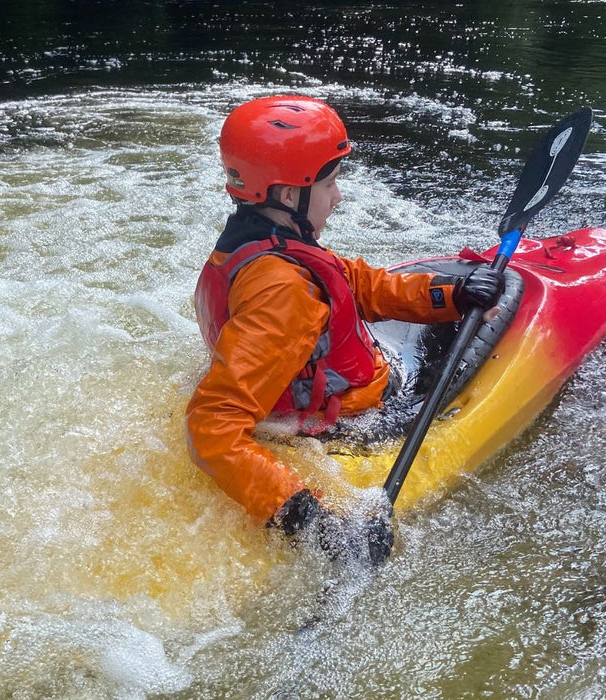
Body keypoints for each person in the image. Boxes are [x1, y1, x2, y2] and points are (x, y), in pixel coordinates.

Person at [186, 95, 503, 565]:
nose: (338, 196)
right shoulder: (283, 293)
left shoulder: (260, 241)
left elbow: (357, 285)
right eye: (331, 183)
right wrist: (312, 523)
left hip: (297, 393)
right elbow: (211, 426)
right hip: (343, 423)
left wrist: (450, 295)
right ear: (290, 195)